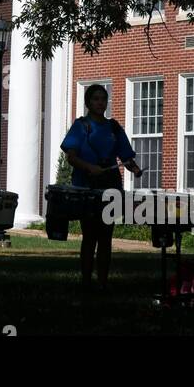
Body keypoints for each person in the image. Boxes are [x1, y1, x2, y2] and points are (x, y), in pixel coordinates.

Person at [61, 84, 142, 290]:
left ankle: (103, 284)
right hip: (86, 186)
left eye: (103, 99)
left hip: (110, 185)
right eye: (96, 99)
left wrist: (135, 169)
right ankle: (86, 283)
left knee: (106, 237)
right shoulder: (81, 125)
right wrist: (90, 168)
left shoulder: (114, 127)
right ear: (88, 102)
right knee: (89, 236)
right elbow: (71, 157)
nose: (100, 103)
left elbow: (126, 157)